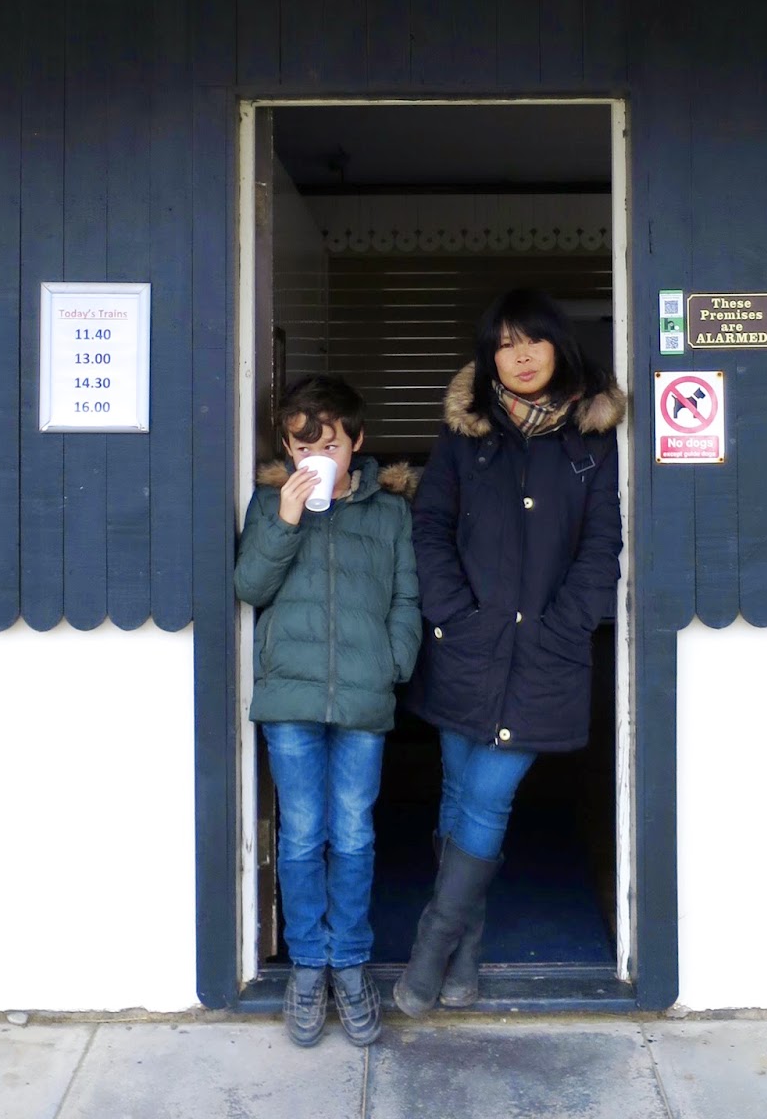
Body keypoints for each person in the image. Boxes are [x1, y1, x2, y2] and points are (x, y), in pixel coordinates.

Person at [394, 288, 625, 1017]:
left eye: (532, 340)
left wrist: (565, 626)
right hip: (466, 644)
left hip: (546, 652)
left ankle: (432, 947)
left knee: (488, 796)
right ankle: (464, 956)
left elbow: (602, 546)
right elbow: (430, 528)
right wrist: (453, 613)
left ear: (559, 345)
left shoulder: (593, 440)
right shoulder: (464, 436)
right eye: (503, 344)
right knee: (457, 790)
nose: (519, 356)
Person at [234, 374, 422, 1047]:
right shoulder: (269, 504)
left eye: (331, 445)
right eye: (302, 446)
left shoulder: (389, 511)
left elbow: (406, 598)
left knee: (354, 834)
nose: (317, 458)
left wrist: (393, 664)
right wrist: (287, 519)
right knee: (302, 834)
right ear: (287, 448)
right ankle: (309, 965)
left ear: (357, 441)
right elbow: (249, 585)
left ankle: (350, 962)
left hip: (364, 695)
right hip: (290, 697)